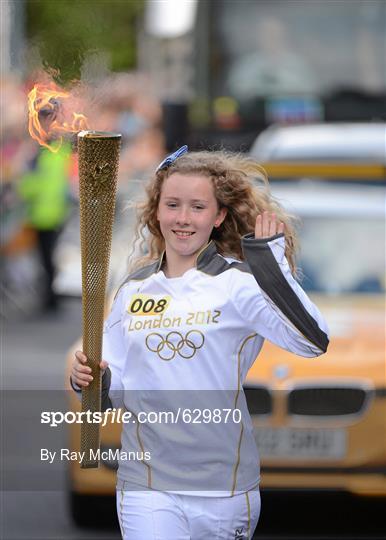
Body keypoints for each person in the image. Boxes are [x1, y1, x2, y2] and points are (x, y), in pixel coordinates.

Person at [71, 146, 329, 539]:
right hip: (149, 483)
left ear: (219, 215)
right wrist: (92, 380)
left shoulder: (239, 284)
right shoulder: (134, 290)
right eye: (173, 205)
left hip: (223, 488)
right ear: (157, 212)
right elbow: (115, 391)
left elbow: (312, 342)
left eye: (197, 207)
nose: (183, 219)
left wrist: (271, 266)